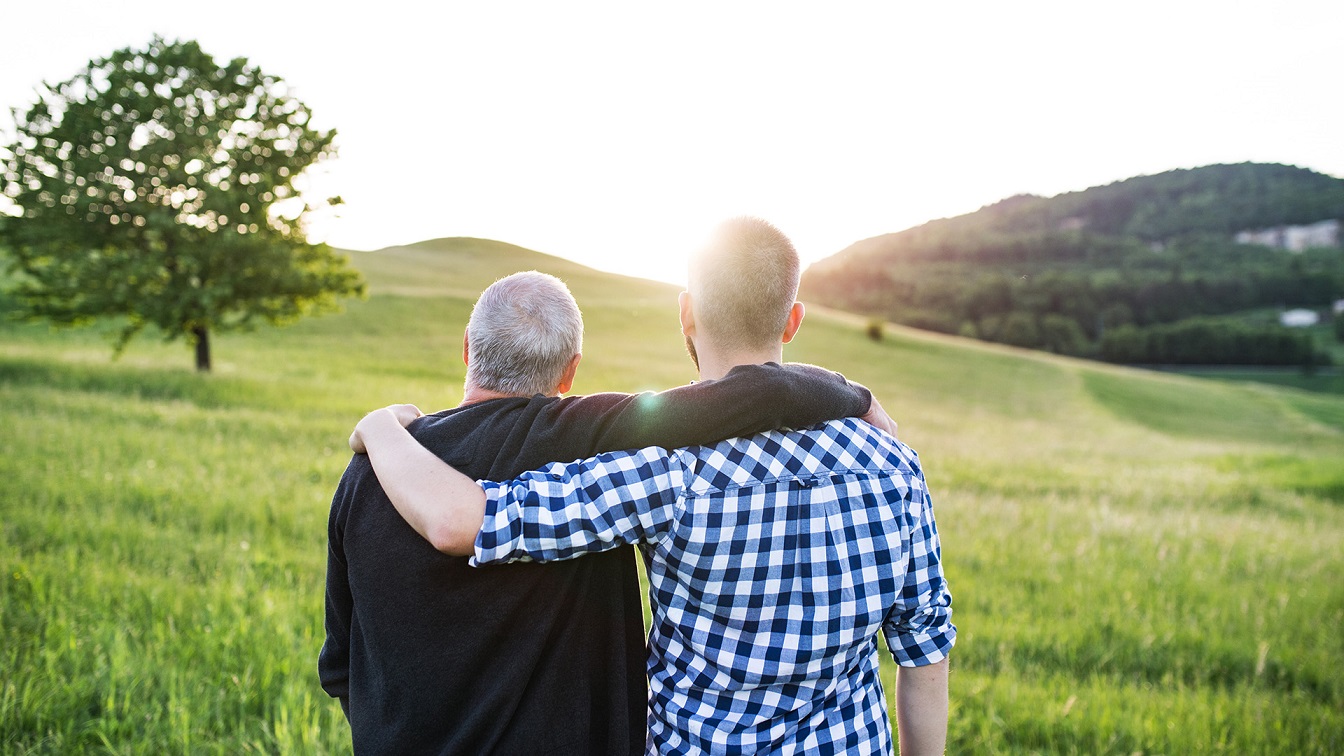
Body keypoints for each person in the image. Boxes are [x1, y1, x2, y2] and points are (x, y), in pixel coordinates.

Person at [354, 218, 954, 755]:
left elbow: (469, 521)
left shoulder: (666, 470)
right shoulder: (895, 467)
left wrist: (382, 430)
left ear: (687, 313)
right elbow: (924, 654)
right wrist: (854, 393)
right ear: (794, 320)